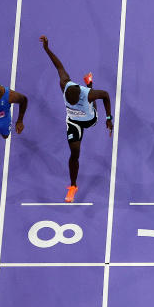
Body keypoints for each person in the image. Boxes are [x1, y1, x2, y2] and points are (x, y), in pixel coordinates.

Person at [40, 36, 113, 202]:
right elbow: (58, 66)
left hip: (89, 119)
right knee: (74, 153)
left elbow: (106, 96)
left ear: (80, 95)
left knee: (92, 104)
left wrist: (109, 118)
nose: (72, 103)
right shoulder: (64, 84)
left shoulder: (88, 95)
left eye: (75, 102)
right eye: (70, 101)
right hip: (73, 122)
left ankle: (89, 83)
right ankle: (73, 186)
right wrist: (47, 49)